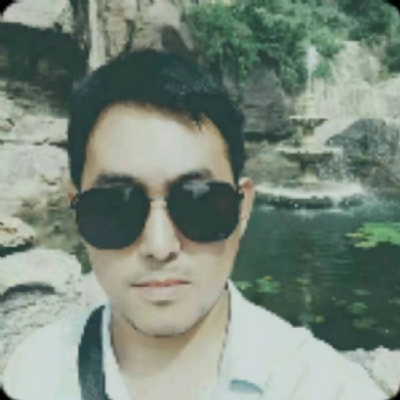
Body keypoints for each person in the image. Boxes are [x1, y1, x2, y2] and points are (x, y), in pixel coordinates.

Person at [2, 49, 389, 400]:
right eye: (115, 206)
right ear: (76, 209)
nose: (159, 246)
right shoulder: (34, 374)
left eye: (200, 203)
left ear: (243, 208)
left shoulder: (324, 386)